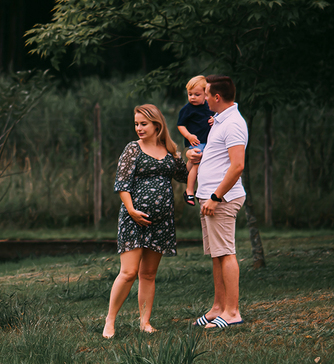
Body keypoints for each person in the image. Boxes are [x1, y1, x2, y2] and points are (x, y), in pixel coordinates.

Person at [102, 104, 190, 339]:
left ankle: (145, 322)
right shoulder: (133, 149)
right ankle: (110, 321)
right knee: (129, 272)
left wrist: (191, 157)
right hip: (134, 219)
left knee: (148, 274)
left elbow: (184, 175)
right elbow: (122, 183)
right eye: (136, 124)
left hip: (161, 222)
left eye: (143, 124)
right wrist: (131, 210)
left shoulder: (169, 149)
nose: (139, 128)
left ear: (157, 125)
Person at [187, 75, 248, 329]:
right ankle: (218, 307)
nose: (202, 98)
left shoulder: (234, 123)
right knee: (216, 255)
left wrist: (215, 197)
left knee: (226, 253)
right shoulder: (219, 121)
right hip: (208, 198)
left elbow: (237, 166)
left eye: (206, 93)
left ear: (216, 97)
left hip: (220, 199)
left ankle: (232, 312)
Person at [176, 75, 213, 206]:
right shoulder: (187, 109)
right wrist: (189, 136)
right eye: (190, 94)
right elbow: (180, 125)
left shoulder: (210, 106)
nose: (192, 97)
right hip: (196, 142)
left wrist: (214, 120)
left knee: (195, 165)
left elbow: (217, 116)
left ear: (206, 94)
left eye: (197, 94)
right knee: (196, 163)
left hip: (209, 142)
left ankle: (192, 182)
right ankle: (189, 191)